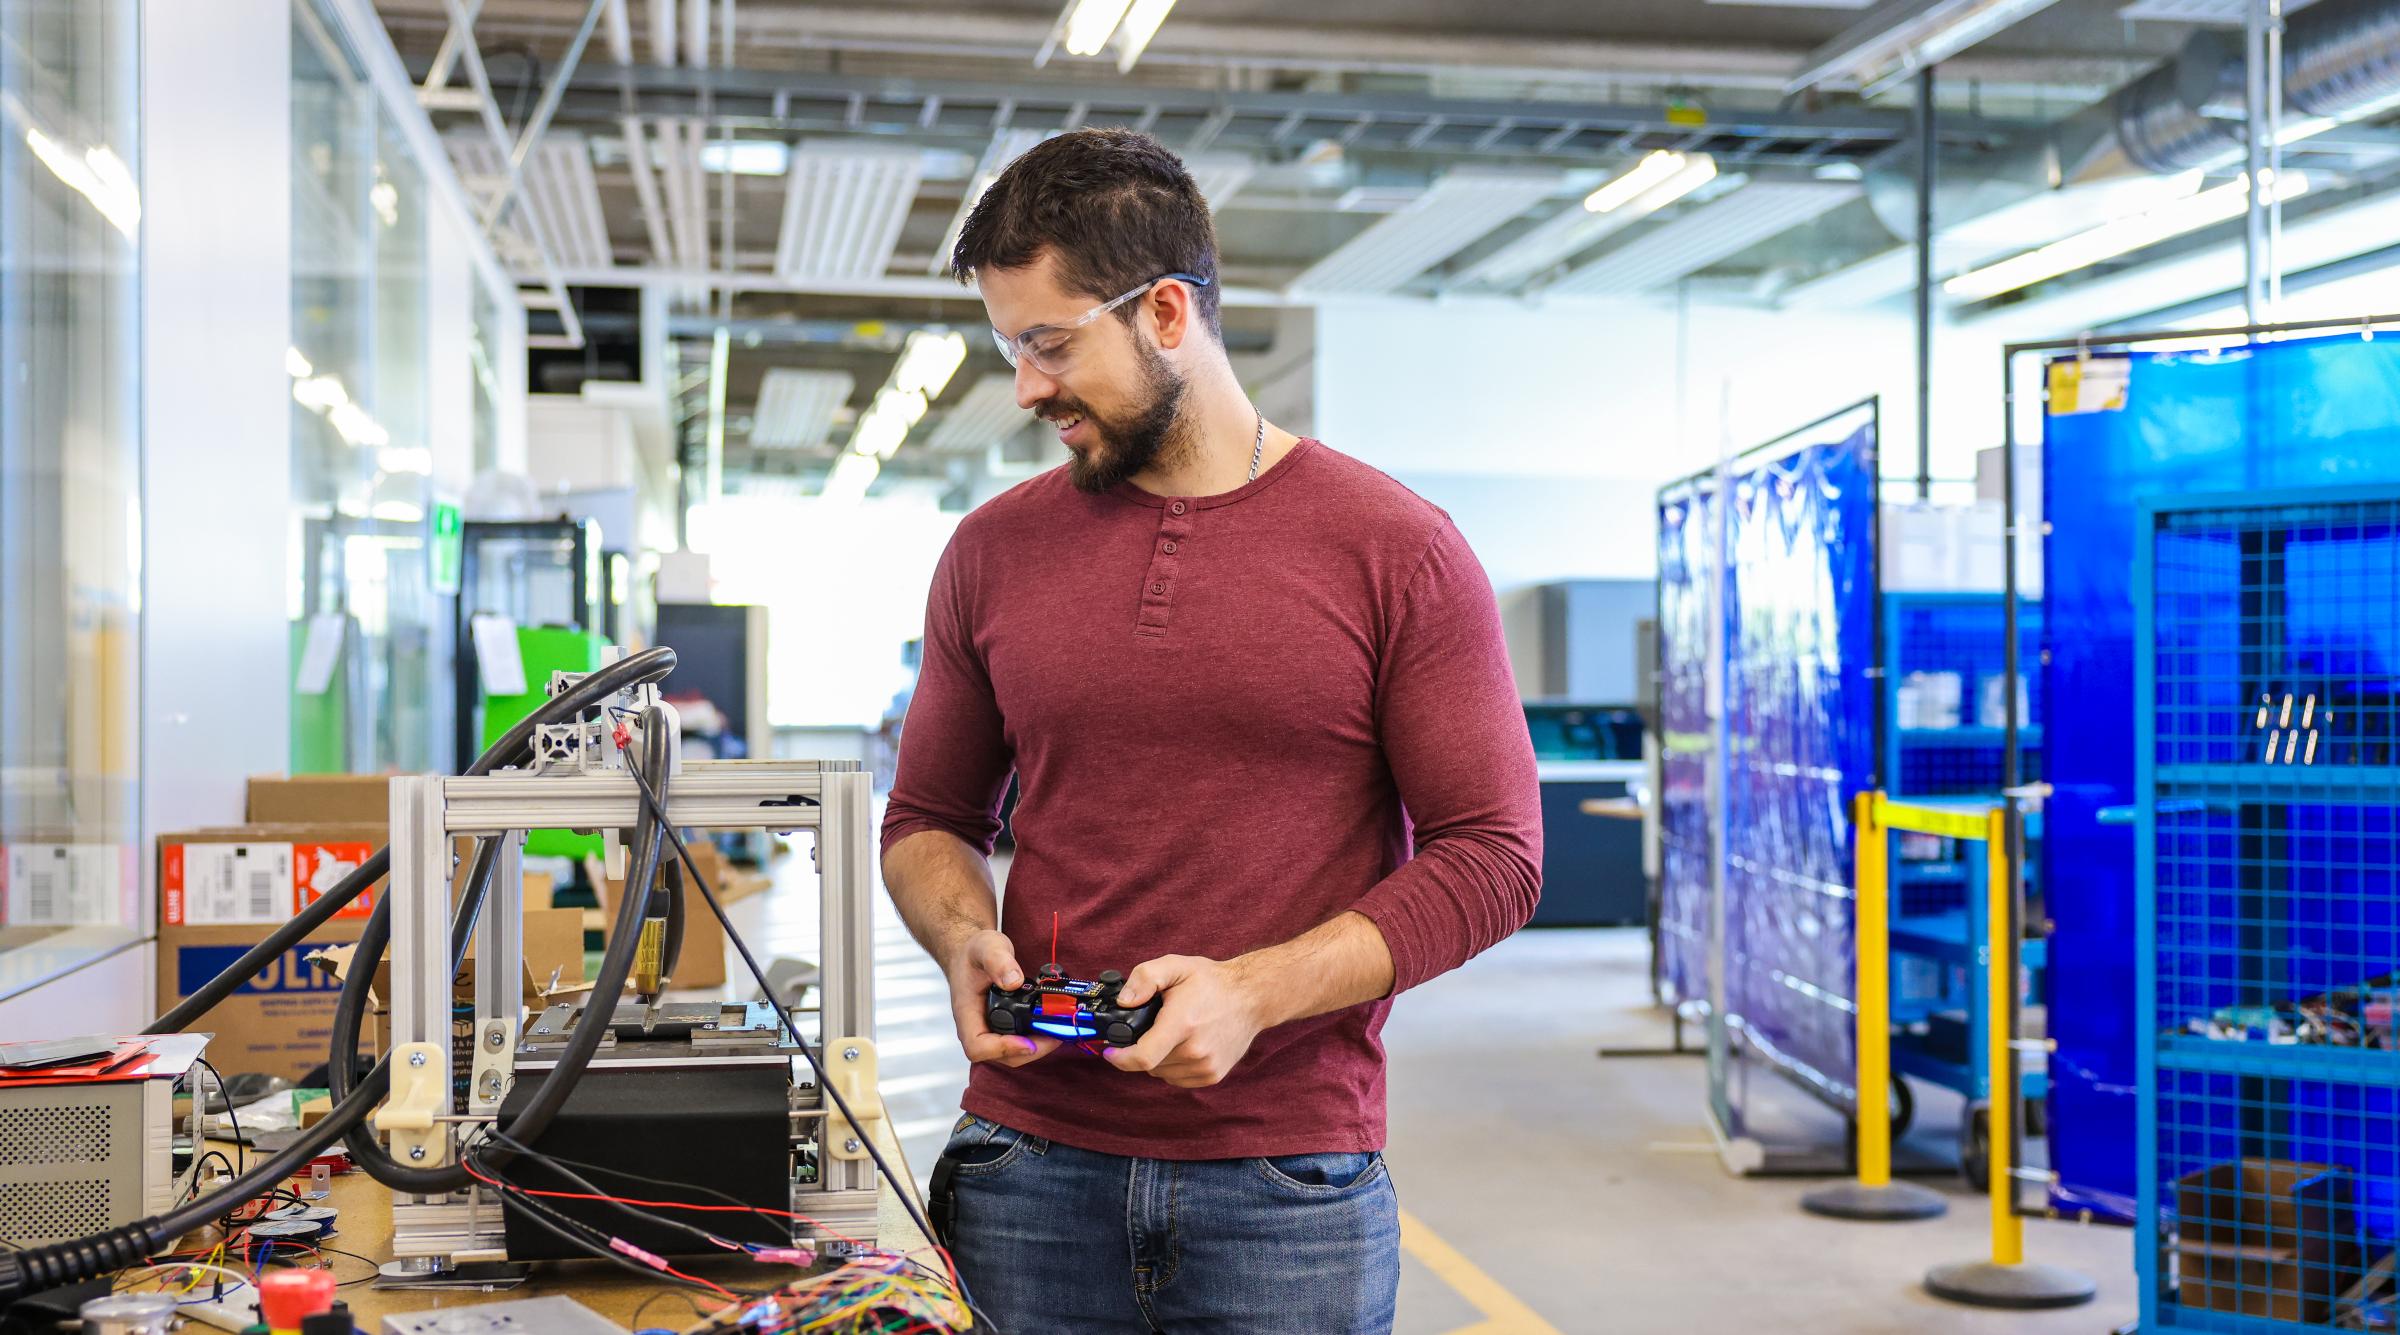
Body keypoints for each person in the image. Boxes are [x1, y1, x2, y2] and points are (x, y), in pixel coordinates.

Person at [880, 127, 1542, 1334]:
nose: (1026, 388)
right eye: (1008, 347)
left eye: (1049, 343)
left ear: (1168, 312)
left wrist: (1256, 991)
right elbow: (927, 818)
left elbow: (1493, 855)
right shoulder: (990, 553)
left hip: (1287, 1190)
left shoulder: (1398, 550)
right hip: (1023, 1168)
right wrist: (962, 932)